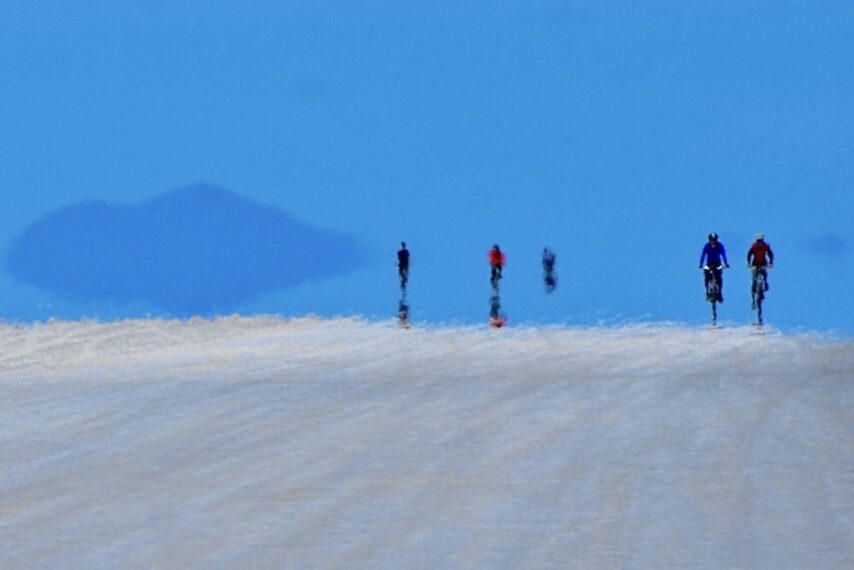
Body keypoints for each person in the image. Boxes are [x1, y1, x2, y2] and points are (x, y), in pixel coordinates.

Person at [699, 233, 729, 302]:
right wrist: (701, 263)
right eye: (711, 240)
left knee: (719, 277)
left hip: (717, 264)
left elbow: (723, 254)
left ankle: (719, 293)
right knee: (706, 276)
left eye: (714, 240)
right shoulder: (706, 246)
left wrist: (725, 263)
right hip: (709, 264)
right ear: (709, 240)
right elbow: (703, 255)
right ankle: (707, 292)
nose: (713, 242)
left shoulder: (720, 246)